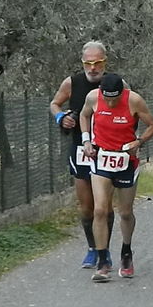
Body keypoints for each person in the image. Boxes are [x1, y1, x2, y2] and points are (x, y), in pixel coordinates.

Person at [79, 73, 153, 282]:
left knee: (125, 212)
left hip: (126, 161)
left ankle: (126, 252)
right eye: (108, 98)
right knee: (99, 209)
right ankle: (103, 261)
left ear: (122, 93)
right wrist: (86, 140)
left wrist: (138, 142)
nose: (111, 102)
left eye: (115, 98)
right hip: (101, 157)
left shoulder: (134, 100)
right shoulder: (93, 97)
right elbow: (84, 115)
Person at [50, 41, 116, 269]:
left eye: (97, 63)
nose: (93, 68)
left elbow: (131, 108)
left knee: (105, 206)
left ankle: (104, 251)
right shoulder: (72, 83)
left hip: (107, 150)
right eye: (88, 63)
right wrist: (61, 117)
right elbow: (55, 104)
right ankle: (92, 248)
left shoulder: (115, 83)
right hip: (80, 149)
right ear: (83, 63)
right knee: (87, 206)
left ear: (105, 62)